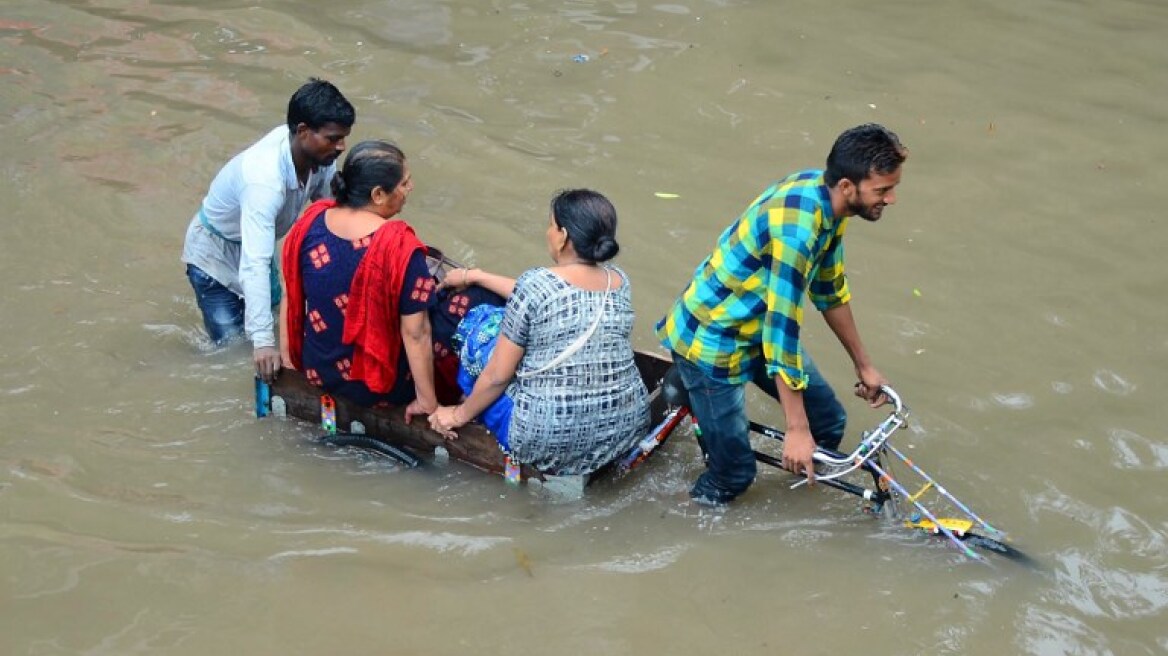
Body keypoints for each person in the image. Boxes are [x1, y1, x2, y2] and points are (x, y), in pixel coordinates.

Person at [656, 123, 908, 505]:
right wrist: (796, 429)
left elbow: (830, 289)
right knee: (734, 477)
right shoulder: (797, 233)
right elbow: (781, 332)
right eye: (883, 190)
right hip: (713, 340)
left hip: (755, 327)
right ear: (847, 186)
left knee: (829, 423)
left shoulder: (828, 202)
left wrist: (864, 366)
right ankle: (684, 507)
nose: (891, 199)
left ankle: (793, 489)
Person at [428, 189, 650, 477]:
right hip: (626, 427)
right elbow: (541, 294)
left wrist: (456, 416)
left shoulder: (535, 284)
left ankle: (467, 403)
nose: (548, 232)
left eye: (551, 225)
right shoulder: (618, 280)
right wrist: (477, 275)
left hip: (546, 438)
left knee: (480, 325)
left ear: (563, 236)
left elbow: (497, 376)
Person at [280, 140, 480, 421]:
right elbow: (416, 334)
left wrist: (288, 359)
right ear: (378, 194)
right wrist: (428, 403)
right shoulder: (400, 247)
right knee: (476, 301)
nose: (410, 188)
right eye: (404, 183)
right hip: (375, 386)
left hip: (319, 370)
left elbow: (291, 293)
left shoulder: (310, 222)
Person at [181, 78, 355, 383]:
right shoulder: (264, 181)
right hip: (213, 257)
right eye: (333, 138)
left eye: (343, 138)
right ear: (303, 131)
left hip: (257, 242)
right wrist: (263, 343)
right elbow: (255, 263)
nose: (341, 147)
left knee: (276, 317)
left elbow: (334, 214)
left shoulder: (319, 156)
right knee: (232, 348)